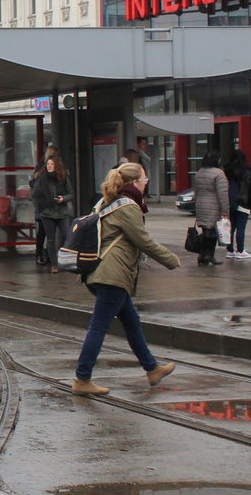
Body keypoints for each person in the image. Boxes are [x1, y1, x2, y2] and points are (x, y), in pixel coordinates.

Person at [73, 162, 179, 395]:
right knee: (99, 326)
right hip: (113, 274)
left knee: (131, 320)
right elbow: (143, 240)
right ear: (133, 183)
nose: (146, 183)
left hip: (98, 270)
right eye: (143, 180)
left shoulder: (106, 202)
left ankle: (152, 369)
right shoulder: (128, 207)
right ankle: (82, 378)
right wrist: (172, 259)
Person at [31, 156, 74, 273]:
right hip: (47, 212)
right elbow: (34, 195)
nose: (49, 166)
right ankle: (54, 264)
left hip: (62, 212)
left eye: (51, 164)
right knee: (50, 239)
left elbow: (71, 194)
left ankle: (65, 260)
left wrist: (63, 199)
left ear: (57, 166)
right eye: (48, 164)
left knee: (67, 236)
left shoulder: (63, 178)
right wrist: (39, 207)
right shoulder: (42, 179)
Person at [192, 151, 229, 266]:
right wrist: (225, 211)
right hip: (213, 206)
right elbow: (222, 194)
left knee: (205, 232)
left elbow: (196, 191)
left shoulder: (199, 172)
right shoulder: (219, 173)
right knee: (212, 233)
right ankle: (209, 255)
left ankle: (202, 255)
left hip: (201, 205)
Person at [31, 146, 61, 266]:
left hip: (49, 204)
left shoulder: (51, 167)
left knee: (48, 232)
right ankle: (42, 255)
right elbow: (34, 183)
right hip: (44, 205)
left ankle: (47, 256)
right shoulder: (43, 168)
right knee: (44, 231)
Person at [222, 149, 251, 259]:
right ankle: (240, 250)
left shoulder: (227, 170)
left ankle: (230, 250)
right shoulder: (246, 170)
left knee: (231, 227)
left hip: (230, 201)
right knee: (241, 227)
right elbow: (249, 186)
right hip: (243, 201)